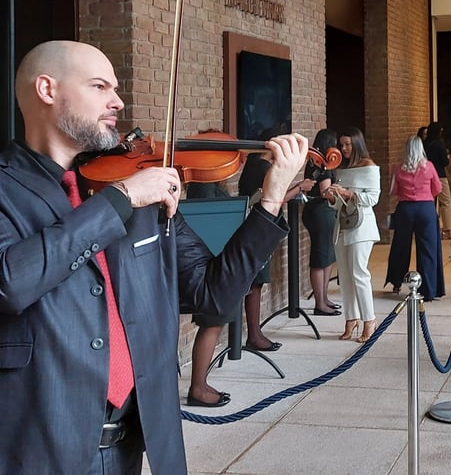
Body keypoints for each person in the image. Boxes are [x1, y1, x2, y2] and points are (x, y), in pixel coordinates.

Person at [0, 40, 308, 473]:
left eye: (117, 88)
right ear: (47, 90)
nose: (118, 101)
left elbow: (213, 298)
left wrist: (272, 200)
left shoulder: (140, 187)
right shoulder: (14, 188)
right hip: (37, 449)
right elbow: (10, 281)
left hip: (132, 446)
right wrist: (122, 199)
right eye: (100, 86)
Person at [185, 155, 316, 407]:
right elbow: (212, 223)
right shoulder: (204, 187)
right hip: (210, 261)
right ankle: (198, 387)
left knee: (214, 319)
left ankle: (199, 385)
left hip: (215, 258)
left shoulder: (210, 185)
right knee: (212, 320)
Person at [327, 127, 380, 343]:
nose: (344, 148)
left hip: (362, 225)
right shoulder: (341, 168)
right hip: (343, 224)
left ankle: (370, 320)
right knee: (345, 275)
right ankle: (351, 319)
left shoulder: (369, 167)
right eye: (341, 144)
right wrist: (331, 197)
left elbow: (373, 198)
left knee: (359, 272)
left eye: (348, 144)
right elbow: (337, 206)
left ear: (356, 143)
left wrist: (348, 193)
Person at [384, 135, 445, 300]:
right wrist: (424, 197)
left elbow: (393, 191)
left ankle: (396, 281)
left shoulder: (397, 167)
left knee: (400, 246)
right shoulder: (429, 166)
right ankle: (429, 289)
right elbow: (437, 188)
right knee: (428, 249)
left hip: (405, 209)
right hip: (426, 208)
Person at [301, 128, 340, 315]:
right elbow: (326, 192)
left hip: (318, 213)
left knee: (328, 255)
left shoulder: (314, 161)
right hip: (320, 212)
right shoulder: (322, 165)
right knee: (320, 257)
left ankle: (324, 298)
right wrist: (339, 192)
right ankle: (320, 303)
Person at [425, 122, 451, 240]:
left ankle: (429, 228)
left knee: (430, 202)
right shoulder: (440, 144)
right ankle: (446, 230)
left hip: (427, 176)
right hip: (440, 175)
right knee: (445, 202)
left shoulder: (425, 143)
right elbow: (445, 162)